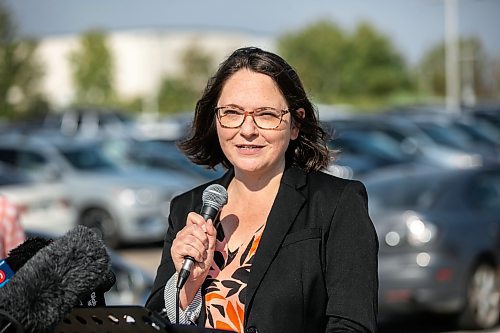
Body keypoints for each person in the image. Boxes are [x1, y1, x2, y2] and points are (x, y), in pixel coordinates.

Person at [146, 47, 378, 333]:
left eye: (266, 115)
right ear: (215, 119)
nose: (247, 130)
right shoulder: (188, 208)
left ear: (295, 123)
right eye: (232, 113)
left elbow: (352, 325)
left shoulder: (336, 203)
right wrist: (189, 284)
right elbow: (153, 324)